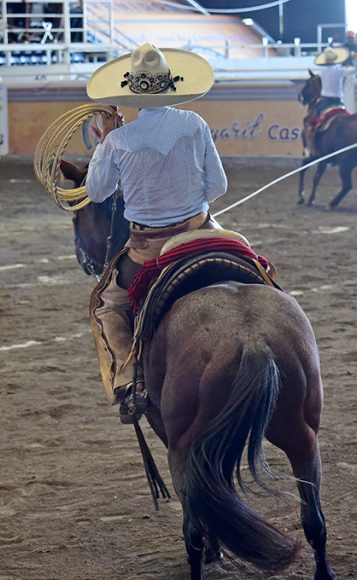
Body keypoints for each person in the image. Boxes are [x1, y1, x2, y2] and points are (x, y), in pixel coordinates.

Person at [84, 42, 227, 420]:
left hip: (149, 247)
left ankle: (128, 384)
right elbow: (218, 187)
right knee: (256, 266)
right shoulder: (194, 124)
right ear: (169, 86)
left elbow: (96, 192)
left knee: (108, 304)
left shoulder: (118, 140)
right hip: (203, 230)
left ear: (131, 92)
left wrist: (104, 143)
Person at [313, 46, 355, 112]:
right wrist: (356, 60)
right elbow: (355, 70)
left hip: (326, 101)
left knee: (316, 113)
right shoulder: (339, 70)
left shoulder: (322, 71)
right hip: (338, 101)